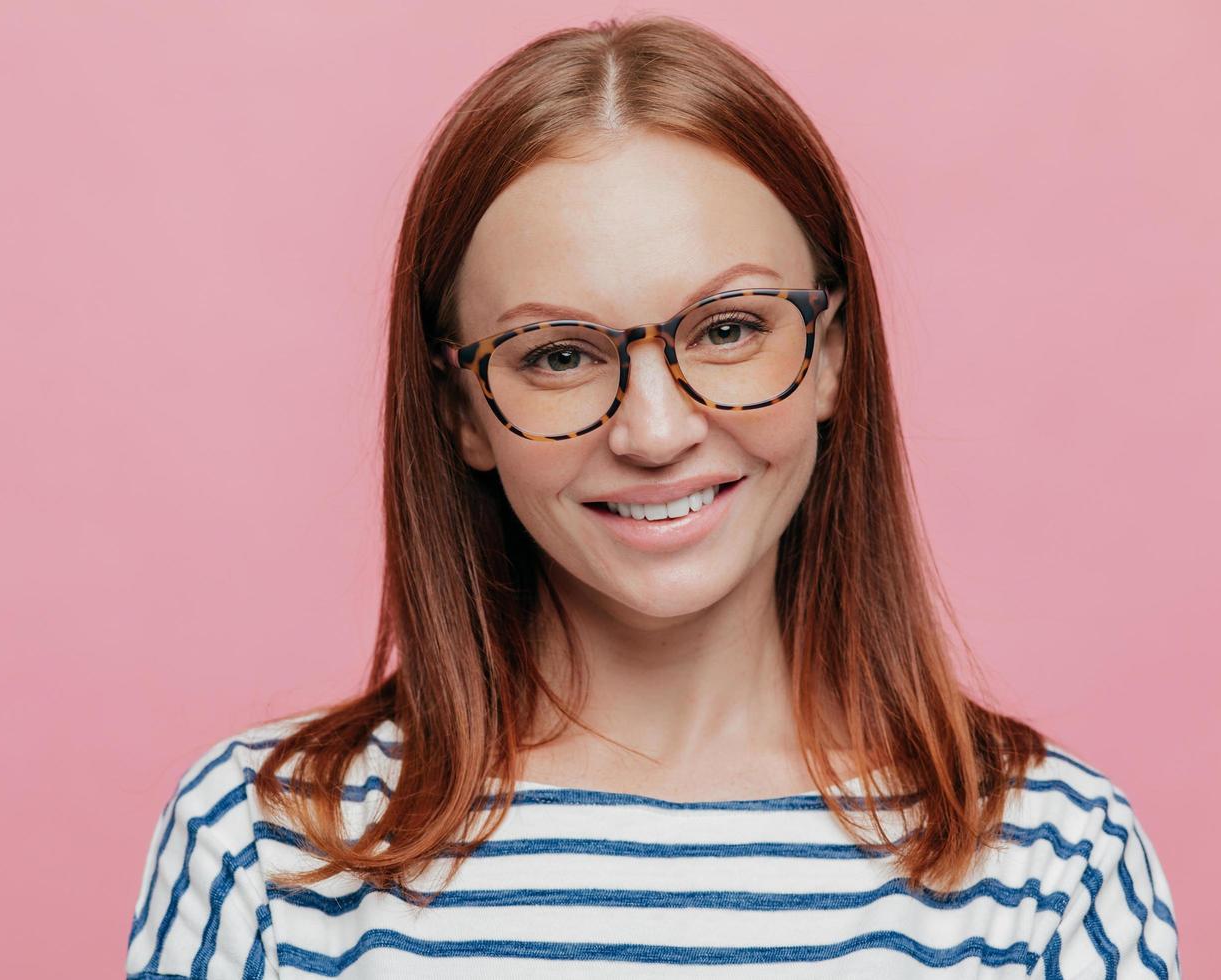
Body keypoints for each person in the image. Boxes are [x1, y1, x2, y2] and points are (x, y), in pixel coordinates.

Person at [125, 15, 1179, 979]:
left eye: (727, 329)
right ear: (461, 410)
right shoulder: (267, 845)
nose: (656, 432)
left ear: (830, 356)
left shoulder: (1053, 862)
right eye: (558, 354)